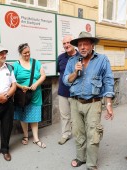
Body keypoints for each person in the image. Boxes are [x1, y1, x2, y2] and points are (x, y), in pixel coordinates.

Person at [63, 31, 114, 170]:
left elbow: (108, 81)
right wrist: (75, 72)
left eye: (86, 44)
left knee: (93, 134)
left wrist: (109, 104)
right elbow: (65, 80)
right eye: (80, 45)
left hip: (94, 102)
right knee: (78, 132)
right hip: (75, 102)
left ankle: (91, 164)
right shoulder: (72, 61)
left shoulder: (102, 59)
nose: (83, 47)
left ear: (92, 45)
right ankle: (81, 157)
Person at [13, 43, 46, 148]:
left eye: (28, 52)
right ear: (20, 53)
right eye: (24, 53)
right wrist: (21, 86)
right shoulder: (16, 65)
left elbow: (43, 75)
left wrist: (36, 84)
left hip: (35, 94)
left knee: (34, 116)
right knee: (24, 116)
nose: (27, 54)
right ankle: (26, 136)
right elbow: (12, 80)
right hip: (22, 95)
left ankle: (36, 139)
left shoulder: (36, 62)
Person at [57, 35, 79, 145]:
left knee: (77, 116)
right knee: (65, 115)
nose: (66, 45)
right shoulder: (60, 57)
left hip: (76, 92)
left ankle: (79, 135)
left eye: (68, 42)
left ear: (73, 43)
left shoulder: (81, 56)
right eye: (64, 43)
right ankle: (65, 134)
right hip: (63, 92)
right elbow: (59, 71)